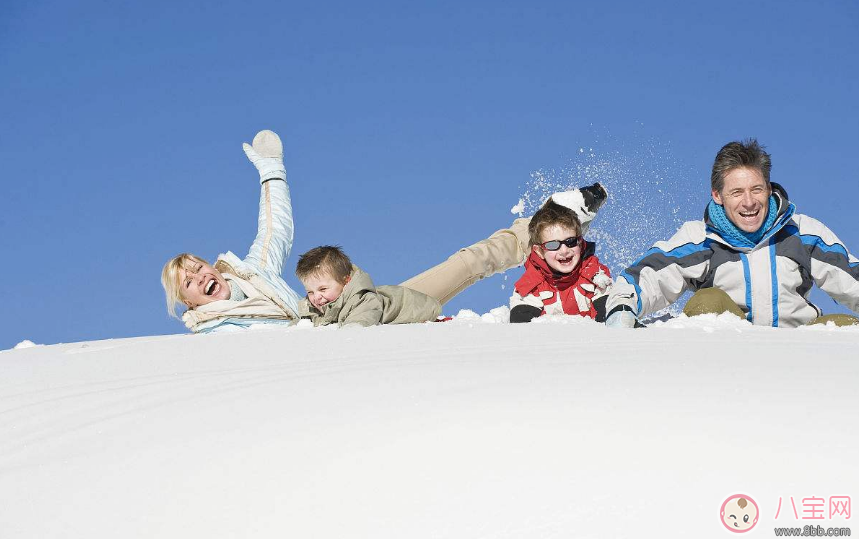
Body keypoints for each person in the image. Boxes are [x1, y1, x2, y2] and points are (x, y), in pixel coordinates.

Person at [162, 129, 608, 333]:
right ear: (187, 301)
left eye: (198, 266)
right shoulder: (213, 334)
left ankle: (553, 219)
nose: (201, 275)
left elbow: (275, 227)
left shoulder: (250, 273)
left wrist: (271, 170)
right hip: (355, 331)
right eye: (189, 280)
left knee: (467, 262)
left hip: (375, 306)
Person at [605, 139, 859, 328]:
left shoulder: (802, 234)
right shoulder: (700, 239)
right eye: (737, 192)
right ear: (717, 195)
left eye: (757, 189)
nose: (749, 202)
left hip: (796, 346)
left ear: (769, 189)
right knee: (709, 301)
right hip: (728, 350)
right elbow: (647, 277)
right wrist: (622, 308)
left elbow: (851, 277)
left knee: (845, 328)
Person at [508, 197, 612, 323]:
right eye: (552, 245)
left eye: (570, 242)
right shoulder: (531, 284)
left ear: (579, 242)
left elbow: (611, 317)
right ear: (539, 251)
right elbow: (522, 328)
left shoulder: (595, 274)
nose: (564, 251)